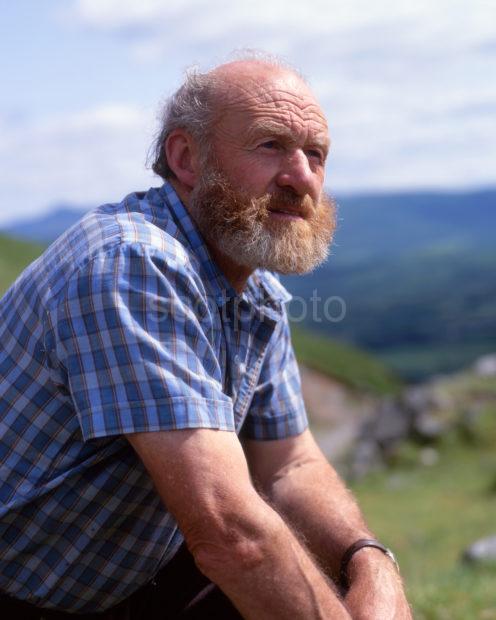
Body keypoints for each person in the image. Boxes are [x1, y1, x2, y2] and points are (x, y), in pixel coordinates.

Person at [0, 55, 412, 619]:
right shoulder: (133, 264)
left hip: (128, 581)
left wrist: (369, 560)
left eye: (315, 154)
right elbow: (229, 535)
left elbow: (290, 464)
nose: (300, 177)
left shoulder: (252, 287)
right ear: (186, 158)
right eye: (270, 145)